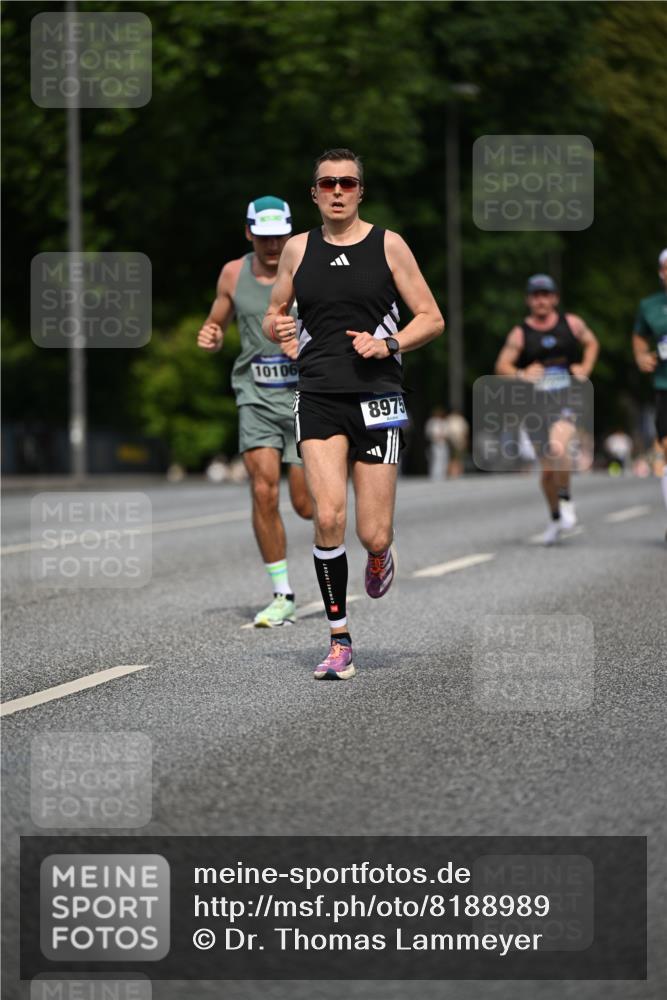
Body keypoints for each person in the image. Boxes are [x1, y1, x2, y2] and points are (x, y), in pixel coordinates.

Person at [262, 148, 444, 679]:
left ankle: (381, 556)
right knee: (327, 516)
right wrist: (281, 331)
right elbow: (275, 313)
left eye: (347, 183)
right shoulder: (298, 250)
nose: (337, 191)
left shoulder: (389, 245)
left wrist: (388, 344)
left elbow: (431, 318)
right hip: (317, 393)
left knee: (374, 532)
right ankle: (339, 639)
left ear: (360, 192)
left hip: (378, 395)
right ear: (314, 193)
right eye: (327, 183)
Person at [197, 196, 313, 626]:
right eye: (263, 237)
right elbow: (218, 320)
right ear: (249, 233)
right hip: (256, 397)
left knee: (304, 504)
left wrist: (301, 342)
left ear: (290, 231)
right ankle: (282, 593)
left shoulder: (308, 268)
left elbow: (336, 326)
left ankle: (354, 529)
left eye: (279, 236)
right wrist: (211, 334)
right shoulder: (232, 273)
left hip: (306, 396)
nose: (271, 245)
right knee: (264, 490)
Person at [495, 274, 599, 545]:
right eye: (535, 295)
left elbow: (592, 343)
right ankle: (555, 518)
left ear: (555, 298)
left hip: (566, 400)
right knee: (548, 472)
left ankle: (566, 500)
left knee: (558, 448)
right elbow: (501, 366)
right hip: (534, 407)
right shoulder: (520, 333)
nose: (541, 300)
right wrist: (521, 373)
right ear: (529, 300)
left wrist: (584, 368)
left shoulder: (571, 324)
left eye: (546, 294)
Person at [632, 248, 667, 537]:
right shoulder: (650, 306)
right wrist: (641, 356)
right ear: (661, 273)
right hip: (664, 384)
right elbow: (639, 336)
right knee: (666, 448)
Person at [425, 406, 449, 481]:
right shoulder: (431, 422)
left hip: (443, 443)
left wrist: (444, 436)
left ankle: (443, 474)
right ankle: (435, 475)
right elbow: (428, 433)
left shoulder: (444, 422)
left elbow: (447, 432)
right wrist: (435, 437)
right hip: (434, 443)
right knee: (436, 459)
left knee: (444, 458)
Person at [443, 409, 469, 478]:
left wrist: (464, 441)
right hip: (451, 441)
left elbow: (464, 431)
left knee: (458, 457)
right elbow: (446, 432)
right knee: (451, 458)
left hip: (459, 441)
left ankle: (458, 472)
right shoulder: (449, 419)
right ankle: (451, 472)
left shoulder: (460, 419)